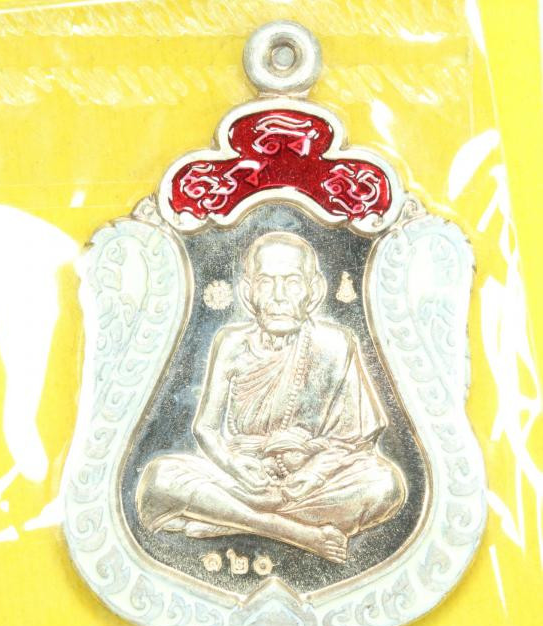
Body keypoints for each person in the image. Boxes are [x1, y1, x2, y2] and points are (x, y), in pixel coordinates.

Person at [136, 231, 405, 563]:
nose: (279, 296)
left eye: (292, 283)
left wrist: (311, 474)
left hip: (307, 481)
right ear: (248, 292)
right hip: (243, 478)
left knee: (386, 485)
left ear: (314, 291)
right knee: (159, 478)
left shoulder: (335, 345)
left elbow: (353, 440)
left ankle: (226, 519)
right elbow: (205, 428)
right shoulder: (231, 343)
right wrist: (235, 467)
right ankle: (296, 533)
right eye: (266, 283)